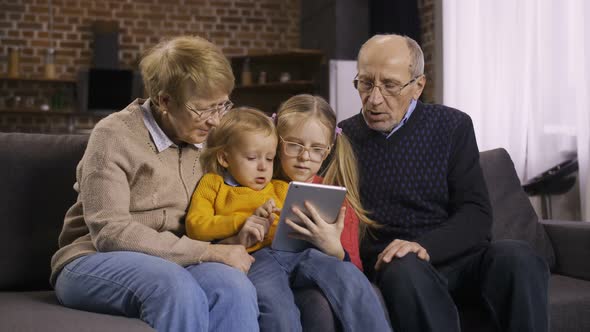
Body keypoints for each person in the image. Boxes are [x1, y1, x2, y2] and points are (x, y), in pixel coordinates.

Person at [339, 33, 550, 332]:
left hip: (458, 257)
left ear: (418, 86)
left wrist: (422, 245)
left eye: (389, 85)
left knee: (520, 256)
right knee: (404, 268)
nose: (374, 98)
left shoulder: (453, 126)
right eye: (365, 83)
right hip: (398, 264)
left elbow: (476, 214)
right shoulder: (342, 137)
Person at [50, 36, 259, 332]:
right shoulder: (113, 135)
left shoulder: (208, 138)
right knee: (174, 288)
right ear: (164, 101)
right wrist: (207, 252)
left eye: (221, 106)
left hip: (177, 261)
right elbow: (111, 233)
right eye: (203, 109)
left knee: (234, 287)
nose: (215, 121)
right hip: (93, 259)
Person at [247, 95, 391, 332]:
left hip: (317, 271)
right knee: (287, 309)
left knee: (347, 287)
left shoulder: (336, 199)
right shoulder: (253, 184)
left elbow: (353, 270)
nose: (304, 157)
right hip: (267, 272)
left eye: (316, 149)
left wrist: (334, 249)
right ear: (276, 141)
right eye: (294, 145)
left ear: (327, 152)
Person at [185, 107, 288, 252]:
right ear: (225, 158)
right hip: (249, 256)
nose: (263, 167)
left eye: (269, 158)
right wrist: (243, 221)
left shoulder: (281, 189)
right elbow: (195, 226)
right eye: (252, 158)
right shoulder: (213, 184)